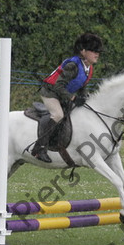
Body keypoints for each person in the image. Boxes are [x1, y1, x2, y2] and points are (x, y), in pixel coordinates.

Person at [31, 32, 103, 163]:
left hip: (62, 95)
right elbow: (58, 86)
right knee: (58, 115)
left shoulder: (89, 68)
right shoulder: (73, 65)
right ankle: (39, 148)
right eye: (93, 50)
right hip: (50, 92)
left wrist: (85, 98)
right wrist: (73, 99)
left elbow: (82, 85)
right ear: (83, 51)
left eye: (98, 51)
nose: (97, 54)